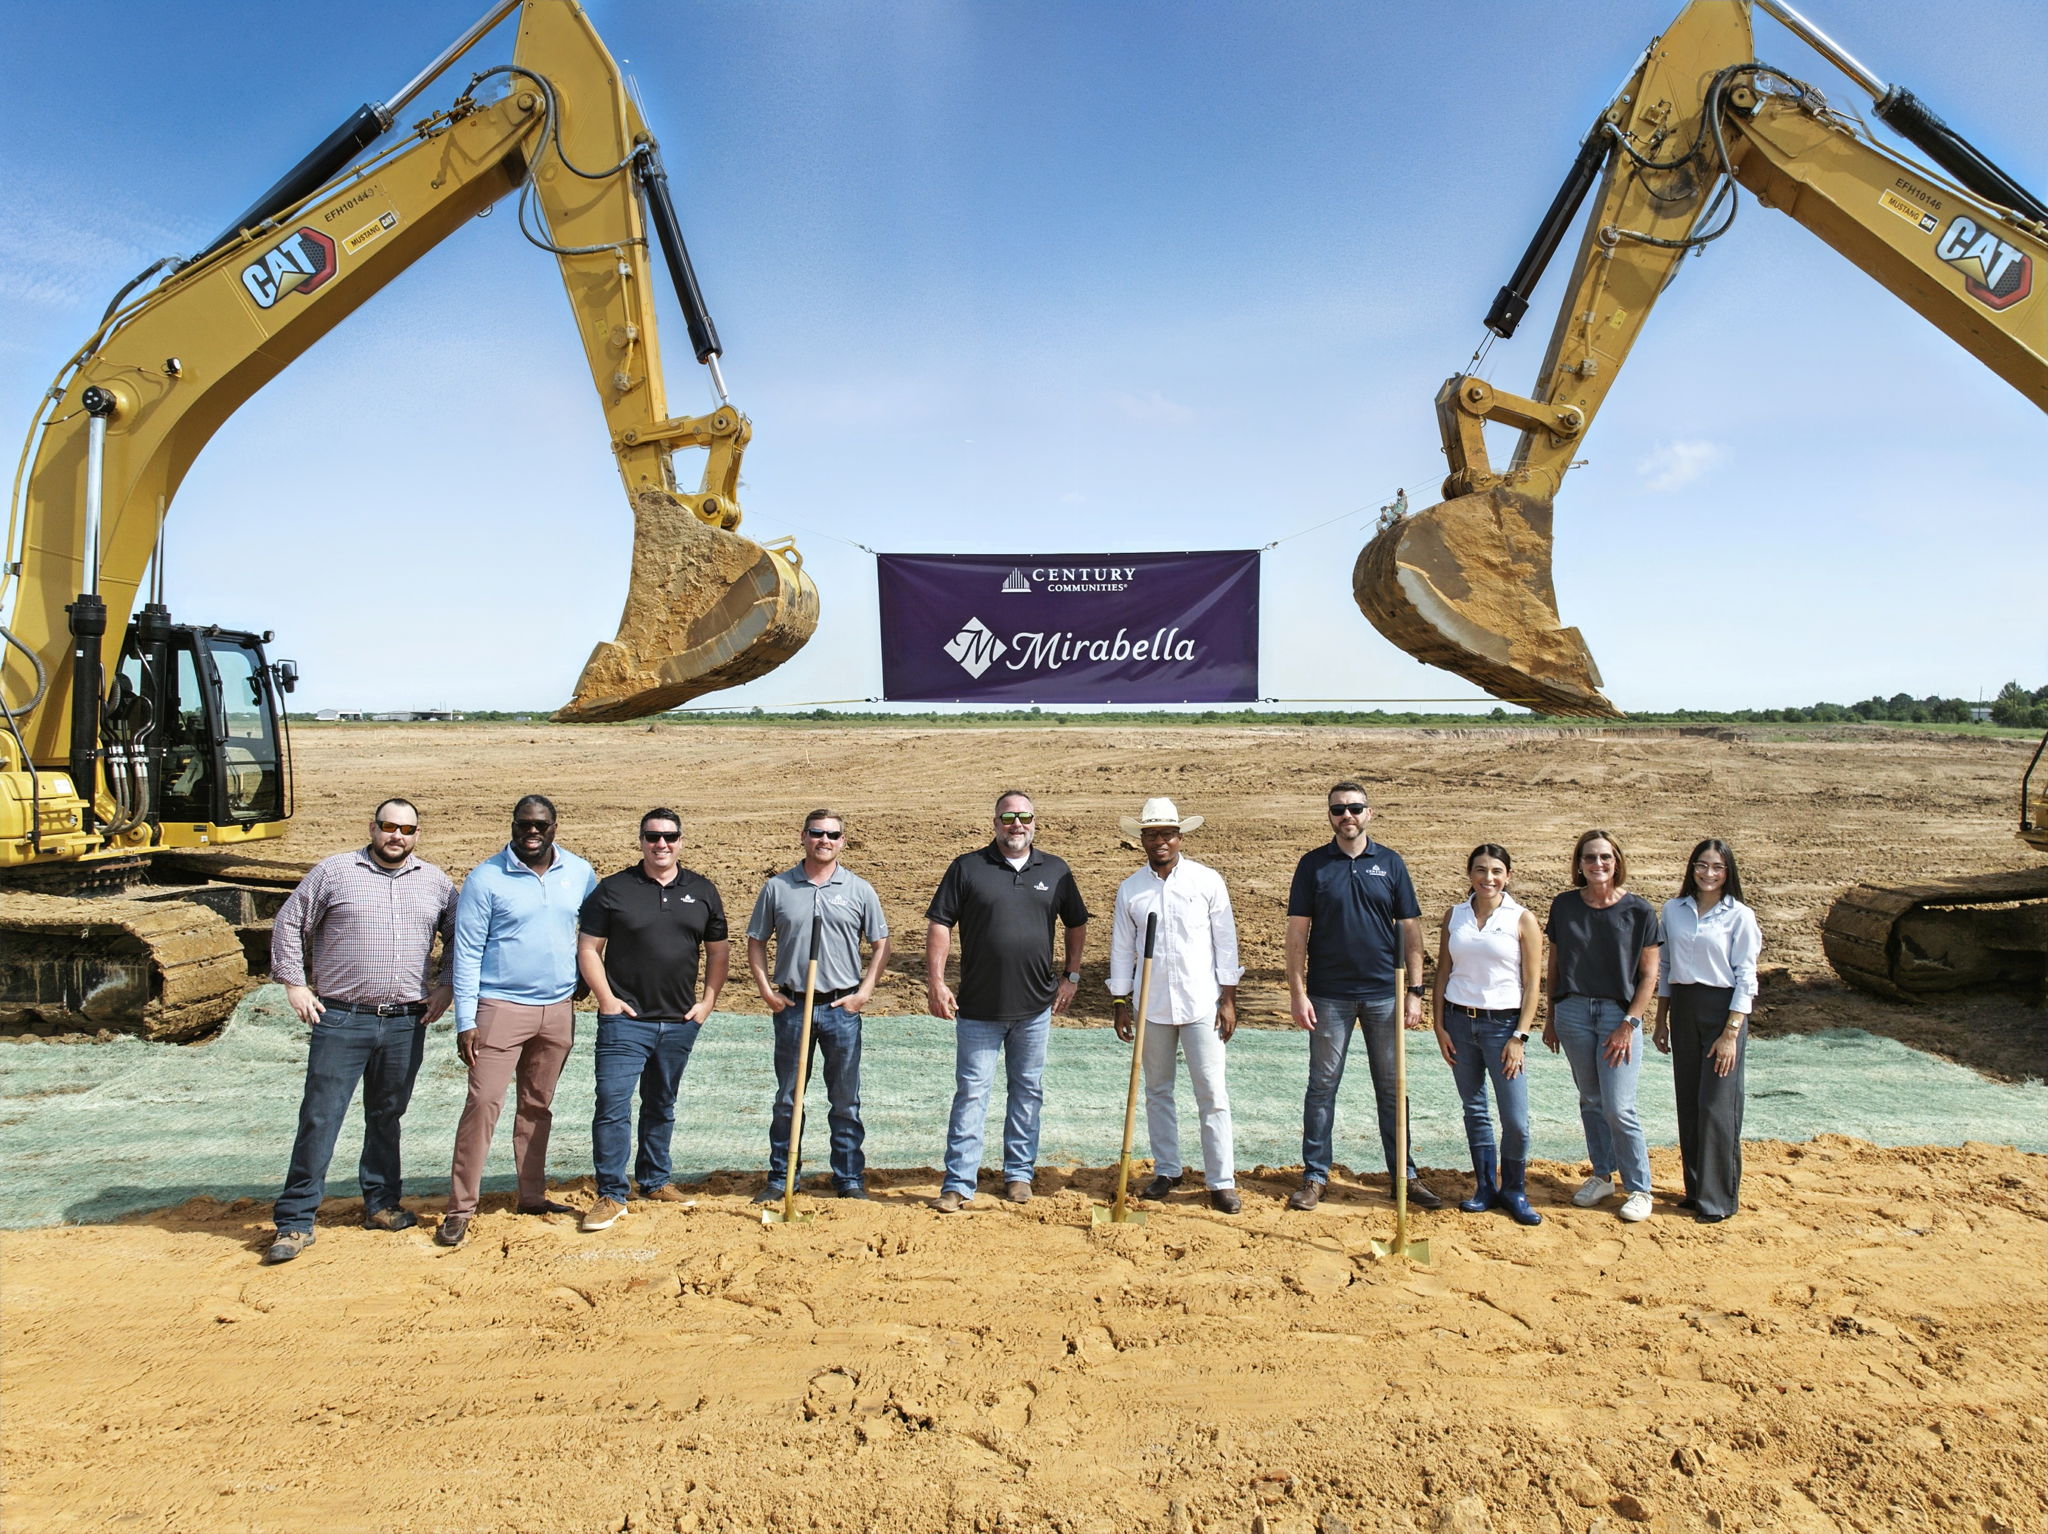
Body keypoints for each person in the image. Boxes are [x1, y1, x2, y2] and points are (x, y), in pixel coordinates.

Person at [262, 798, 457, 1264]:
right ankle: (295, 1220)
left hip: (406, 1021)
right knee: (321, 1116)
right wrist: (294, 983)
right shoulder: (334, 872)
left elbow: (460, 934)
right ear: (373, 827)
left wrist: (446, 986)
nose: (398, 836)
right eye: (389, 826)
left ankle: (382, 1203)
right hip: (341, 1018)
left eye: (407, 829)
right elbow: (290, 922)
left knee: (387, 1116)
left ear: (417, 834)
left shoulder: (436, 883)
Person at [436, 795, 597, 1248]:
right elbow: (466, 953)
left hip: (558, 1009)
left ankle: (531, 1194)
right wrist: (466, 1019)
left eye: (540, 825)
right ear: (512, 825)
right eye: (524, 824)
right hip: (499, 1007)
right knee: (484, 1104)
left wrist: (585, 978)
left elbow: (591, 932)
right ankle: (460, 1207)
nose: (532, 832)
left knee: (537, 1105)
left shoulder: (580, 873)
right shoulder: (485, 879)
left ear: (554, 827)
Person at [926, 790, 1089, 1211]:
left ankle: (1019, 1174)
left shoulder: (1055, 870)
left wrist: (1071, 975)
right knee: (971, 1094)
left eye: (1025, 817)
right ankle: (959, 1182)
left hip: (1035, 1008)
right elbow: (941, 924)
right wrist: (936, 981)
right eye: (1008, 817)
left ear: (1035, 821)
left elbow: (1076, 923)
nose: (1017, 824)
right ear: (994, 822)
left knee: (1027, 1091)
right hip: (977, 1008)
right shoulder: (967, 867)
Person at [1284, 780, 1442, 1211]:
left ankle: (1403, 1176)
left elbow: (1411, 930)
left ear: (1368, 813)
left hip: (1384, 996)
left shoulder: (1389, 863)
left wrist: (1414, 991)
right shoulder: (1313, 865)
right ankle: (1315, 1176)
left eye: (1355, 808)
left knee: (1393, 1089)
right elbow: (1298, 932)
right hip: (1328, 996)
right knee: (1321, 1087)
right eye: (1338, 810)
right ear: (1330, 816)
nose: (1347, 816)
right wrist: (1298, 992)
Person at [575, 807, 729, 1233]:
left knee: (661, 1103)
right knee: (612, 1103)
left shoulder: (701, 890)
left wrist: (707, 1003)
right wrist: (606, 999)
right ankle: (611, 1192)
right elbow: (589, 948)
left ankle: (655, 1180)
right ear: (641, 840)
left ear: (681, 840)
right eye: (652, 836)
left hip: (680, 1021)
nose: (661, 844)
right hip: (626, 1020)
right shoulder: (614, 889)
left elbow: (718, 952)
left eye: (669, 836)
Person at [746, 807, 891, 1201]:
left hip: (840, 1009)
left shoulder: (859, 889)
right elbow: (756, 941)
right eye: (816, 832)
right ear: (804, 837)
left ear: (843, 841)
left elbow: (881, 944)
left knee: (845, 1100)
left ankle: (847, 1178)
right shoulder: (778, 887)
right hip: (793, 1006)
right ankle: (782, 1178)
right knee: (788, 1099)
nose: (824, 840)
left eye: (832, 834)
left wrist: (864, 992)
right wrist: (765, 989)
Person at [1108, 797, 1243, 1214]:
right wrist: (1120, 1000)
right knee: (1157, 1091)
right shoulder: (1131, 889)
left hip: (1202, 1002)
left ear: (1180, 837)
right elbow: (1121, 948)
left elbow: (1226, 941)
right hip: (1153, 1005)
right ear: (1142, 840)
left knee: (1212, 1093)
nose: (1160, 841)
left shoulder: (1207, 881)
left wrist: (1228, 998)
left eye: (1167, 833)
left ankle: (1221, 1180)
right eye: (1152, 834)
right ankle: (1167, 1170)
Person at [1544, 829, 1662, 1223]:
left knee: (1619, 1106)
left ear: (1617, 862)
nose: (1598, 865)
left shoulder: (1640, 911)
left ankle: (1640, 1188)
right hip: (1574, 1013)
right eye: (1590, 858)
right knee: (1590, 1100)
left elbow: (1649, 977)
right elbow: (1555, 965)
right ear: (1579, 864)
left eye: (1605, 858)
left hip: (1618, 1016)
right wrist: (1552, 1015)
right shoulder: (1563, 906)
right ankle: (1602, 1174)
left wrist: (1630, 1023)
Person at [1431, 844, 1544, 1226]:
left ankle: (1514, 1188)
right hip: (1460, 1023)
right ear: (1470, 874)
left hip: (1503, 1028)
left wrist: (1520, 1036)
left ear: (1507, 876)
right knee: (1474, 1108)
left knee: (1515, 1119)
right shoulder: (1455, 916)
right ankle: (1484, 1186)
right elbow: (1443, 972)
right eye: (1480, 870)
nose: (1488, 878)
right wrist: (1439, 1024)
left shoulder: (1522, 919)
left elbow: (1532, 984)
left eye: (1496, 871)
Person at [1653, 839, 1762, 1224]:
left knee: (1717, 1106)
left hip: (1722, 1013)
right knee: (1689, 1102)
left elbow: (1746, 976)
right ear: (1691, 868)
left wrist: (1731, 1031)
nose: (1709, 873)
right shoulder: (1673, 910)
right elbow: (1665, 967)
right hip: (1683, 1009)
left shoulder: (1740, 916)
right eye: (1702, 865)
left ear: (1728, 872)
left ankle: (1718, 1199)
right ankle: (1696, 1189)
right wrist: (1661, 1019)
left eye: (1717, 867)